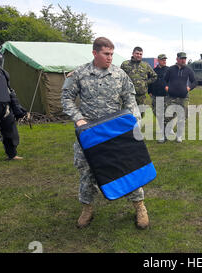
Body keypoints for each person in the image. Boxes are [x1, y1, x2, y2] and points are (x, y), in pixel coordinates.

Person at [61, 37, 149, 229]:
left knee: (128, 167)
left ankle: (139, 206)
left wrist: (134, 121)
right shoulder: (79, 74)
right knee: (86, 170)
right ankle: (87, 208)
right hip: (90, 133)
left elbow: (130, 99)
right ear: (95, 53)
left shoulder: (120, 74)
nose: (110, 58)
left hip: (115, 132)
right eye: (106, 54)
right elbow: (66, 98)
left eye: (111, 54)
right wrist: (78, 118)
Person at [163, 52, 197, 143]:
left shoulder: (188, 70)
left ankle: (179, 136)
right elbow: (164, 80)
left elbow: (194, 82)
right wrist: (166, 88)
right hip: (171, 97)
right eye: (181, 58)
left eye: (184, 58)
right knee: (168, 116)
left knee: (182, 117)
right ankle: (165, 135)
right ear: (177, 59)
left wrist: (189, 88)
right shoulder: (171, 69)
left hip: (184, 97)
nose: (183, 60)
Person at [120, 46, 158, 117]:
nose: (139, 55)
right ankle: (130, 127)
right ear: (133, 53)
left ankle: (138, 127)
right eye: (137, 53)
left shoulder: (145, 65)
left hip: (141, 96)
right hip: (129, 95)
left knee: (140, 114)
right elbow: (120, 77)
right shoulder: (125, 64)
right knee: (128, 113)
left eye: (140, 54)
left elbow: (154, 76)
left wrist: (145, 82)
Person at [148, 54, 169, 143]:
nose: (164, 61)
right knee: (158, 113)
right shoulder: (154, 70)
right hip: (156, 95)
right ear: (158, 61)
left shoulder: (169, 70)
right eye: (162, 60)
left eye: (165, 60)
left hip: (167, 96)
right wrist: (149, 91)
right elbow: (150, 81)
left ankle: (165, 133)